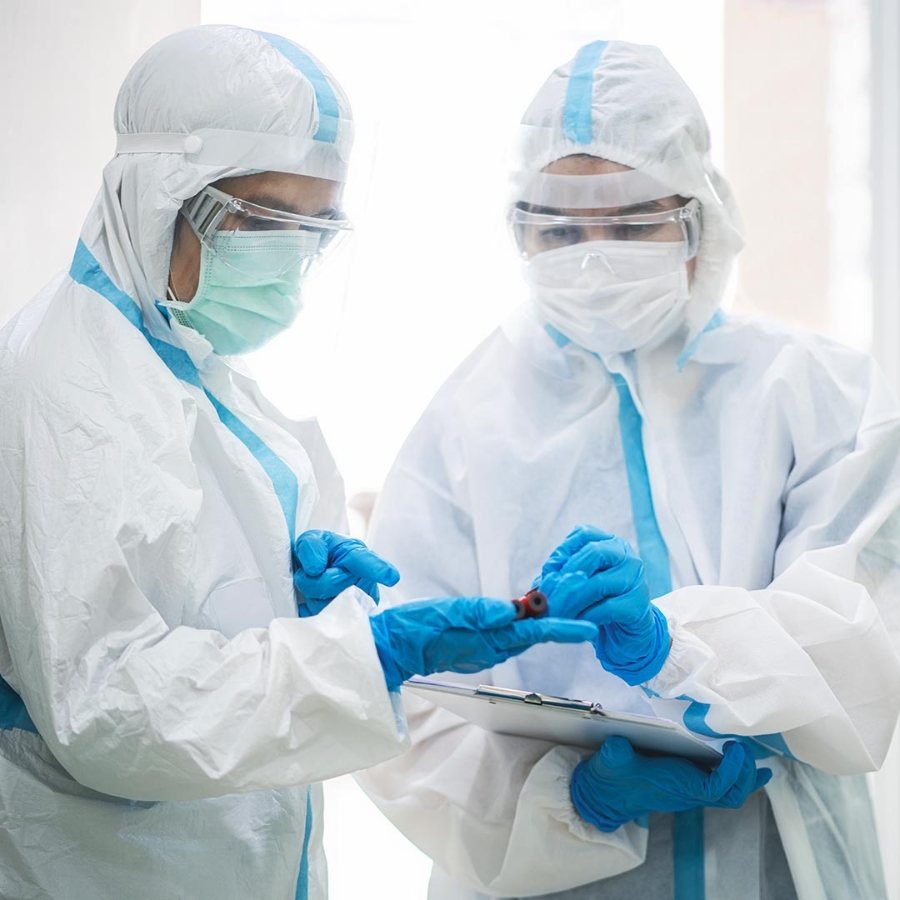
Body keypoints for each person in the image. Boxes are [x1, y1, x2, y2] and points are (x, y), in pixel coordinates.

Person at [0, 25, 600, 900]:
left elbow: (172, 605)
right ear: (159, 196)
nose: (292, 252)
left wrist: (278, 591)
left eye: (317, 226)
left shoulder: (188, 370)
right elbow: (108, 702)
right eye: (265, 219)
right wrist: (376, 655)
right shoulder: (71, 382)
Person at [355, 39, 900, 900]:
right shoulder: (462, 426)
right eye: (561, 230)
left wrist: (672, 650)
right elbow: (400, 709)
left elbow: (858, 646)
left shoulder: (819, 394)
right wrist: (573, 801)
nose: (596, 254)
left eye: (634, 222)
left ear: (700, 220)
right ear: (519, 232)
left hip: (780, 864)